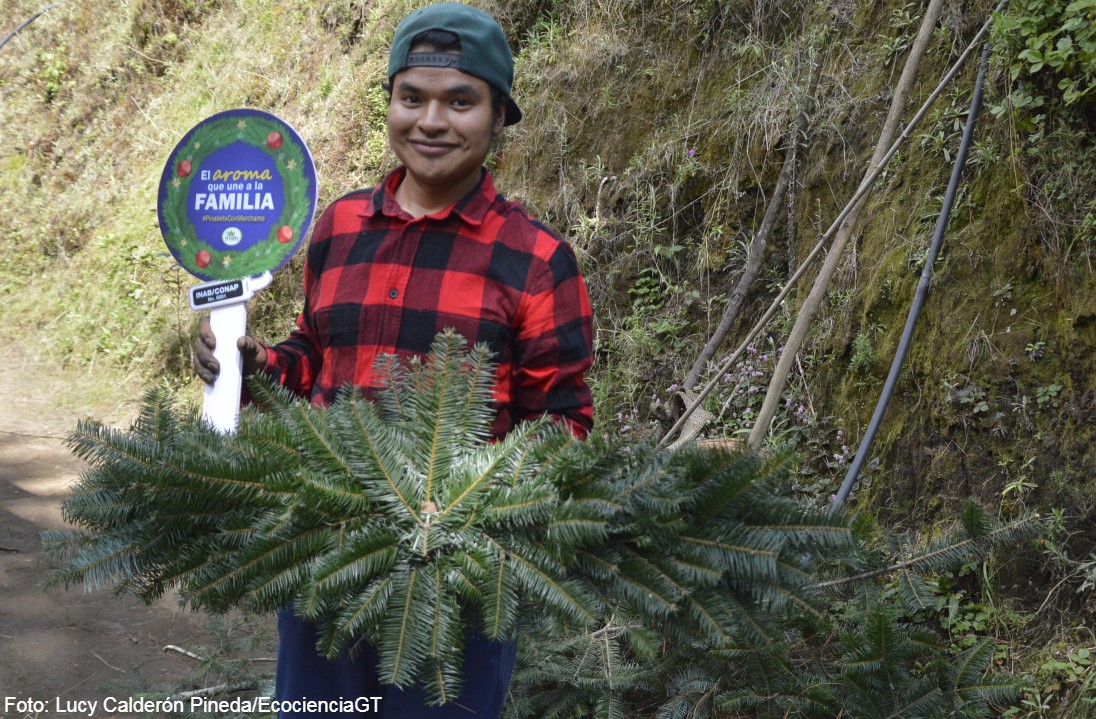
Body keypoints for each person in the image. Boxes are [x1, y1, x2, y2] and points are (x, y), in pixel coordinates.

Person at [192, 2, 594, 717]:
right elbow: (314, 357)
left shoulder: (536, 261)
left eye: (461, 102)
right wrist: (252, 368)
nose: (432, 121)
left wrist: (464, 510)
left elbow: (561, 427)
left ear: (500, 116)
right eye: (412, 97)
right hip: (325, 562)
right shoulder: (339, 225)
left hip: (453, 594)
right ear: (390, 104)